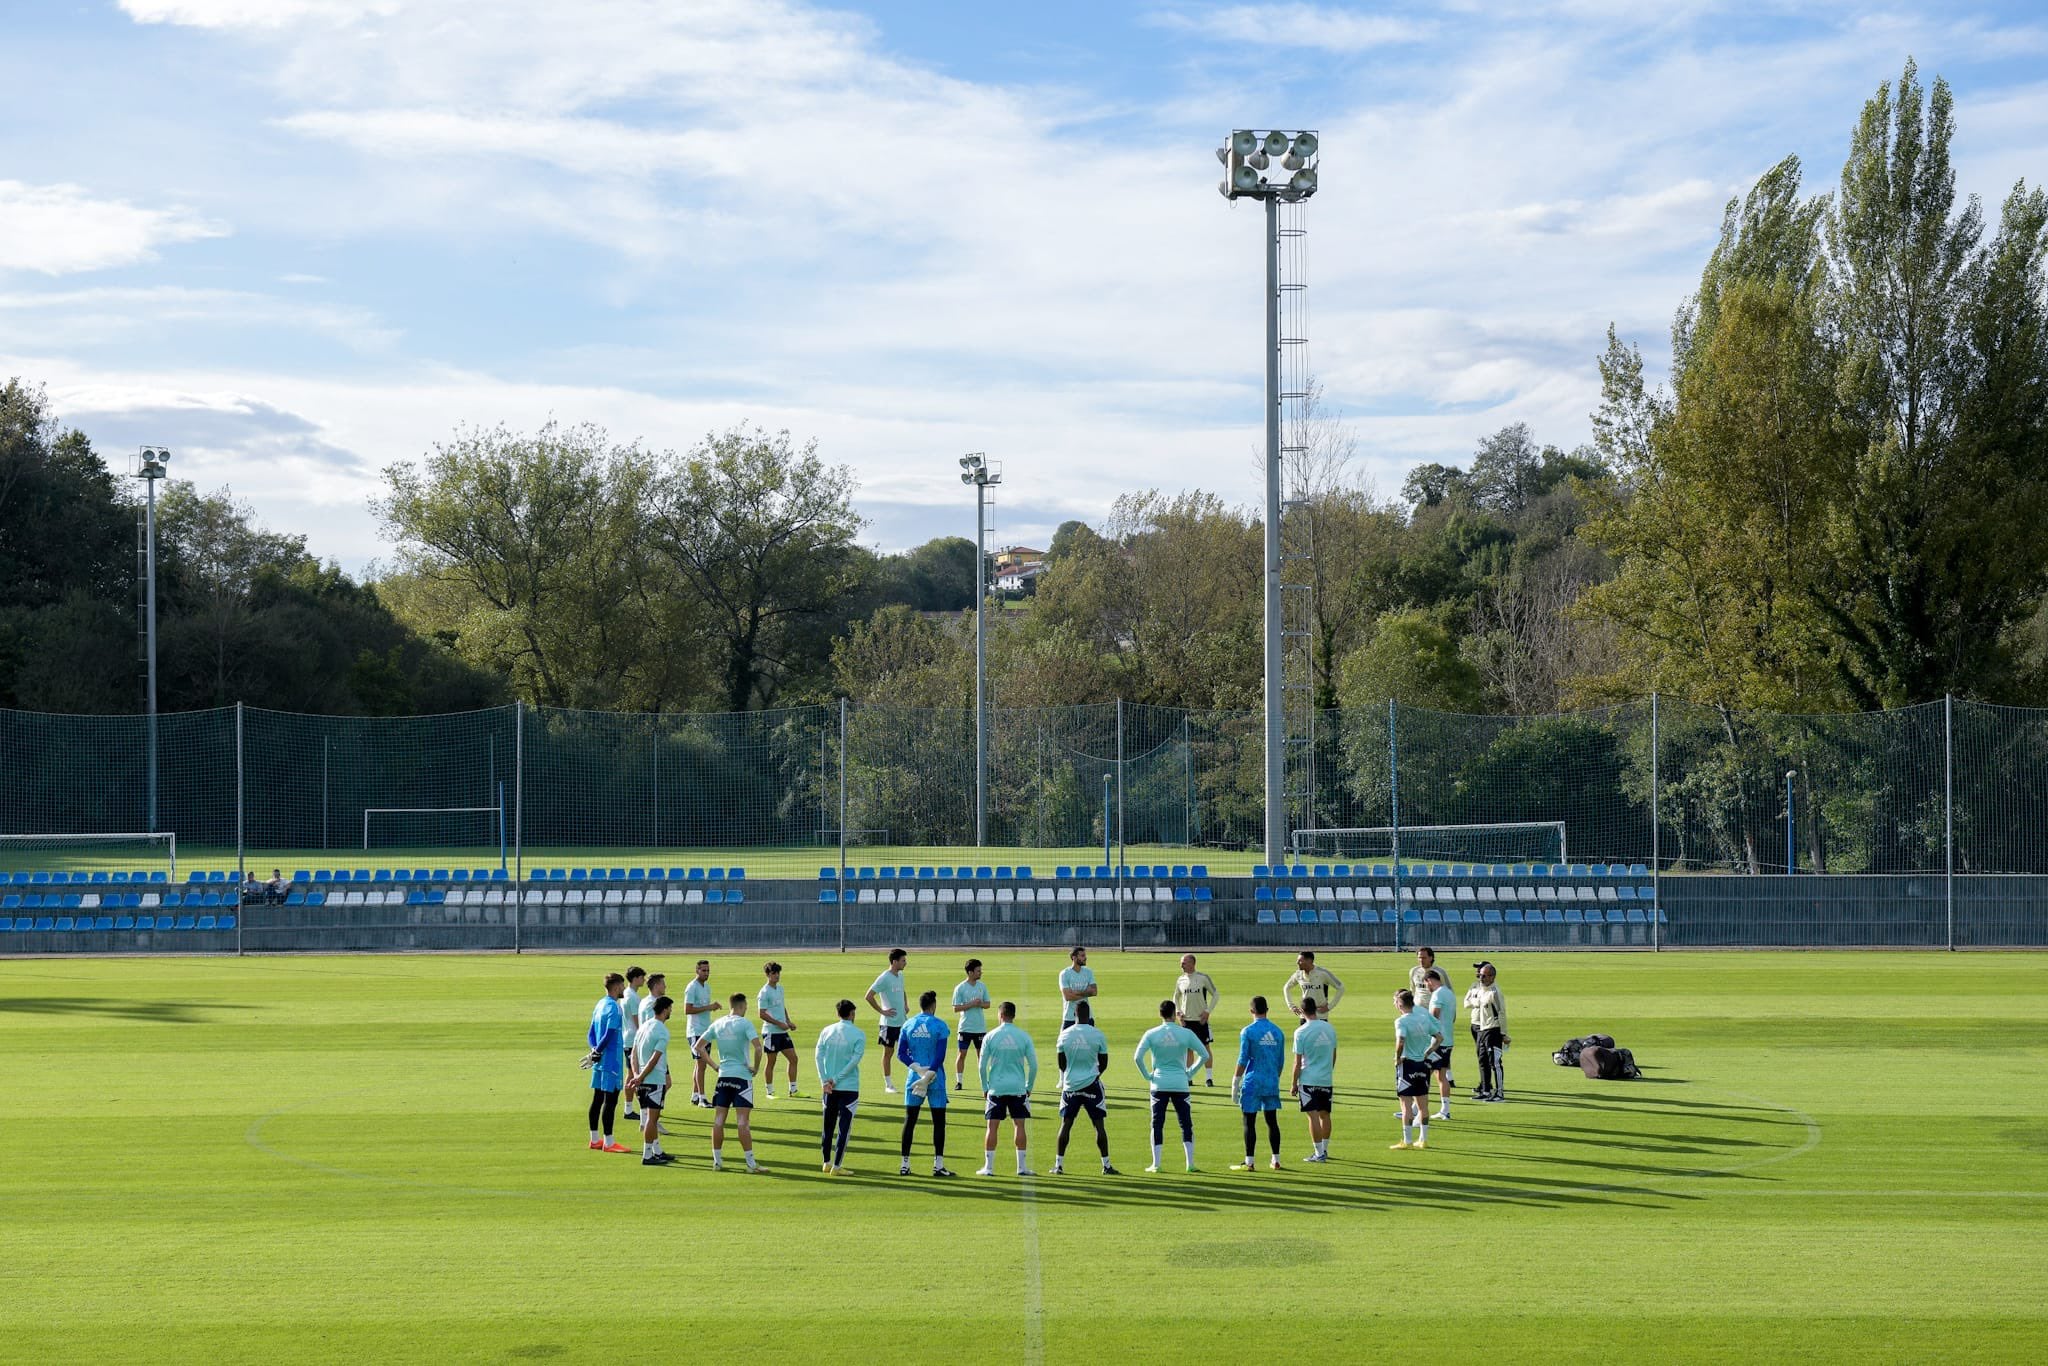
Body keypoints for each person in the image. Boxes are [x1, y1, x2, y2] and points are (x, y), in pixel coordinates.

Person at [1134, 999, 1211, 1173]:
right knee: (1186, 1124)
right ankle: (1190, 1163)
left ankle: (1156, 1164)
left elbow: (1137, 1058)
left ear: (1160, 1014)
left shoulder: (1152, 1033)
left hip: (1158, 1083)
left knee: (1157, 1124)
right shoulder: (1186, 1033)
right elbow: (1204, 1055)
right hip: (1180, 1084)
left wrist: (1147, 1075)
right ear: (1174, 1013)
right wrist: (1190, 1072)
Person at [693, 992, 766, 1173]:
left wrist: (715, 1066)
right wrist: (755, 1068)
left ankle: (717, 1162)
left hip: (723, 1077)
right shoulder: (745, 1024)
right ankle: (750, 1164)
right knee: (742, 1122)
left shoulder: (718, 1023)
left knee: (718, 1121)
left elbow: (698, 1047)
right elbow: (758, 1048)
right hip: (741, 1078)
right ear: (742, 1006)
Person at [895, 990, 955, 1177]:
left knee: (910, 1120)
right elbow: (940, 1055)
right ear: (933, 1005)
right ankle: (938, 1165)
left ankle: (904, 1165)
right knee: (938, 1122)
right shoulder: (939, 1025)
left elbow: (901, 1054)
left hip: (914, 1079)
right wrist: (928, 1074)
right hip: (936, 1077)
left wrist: (919, 1071)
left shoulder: (908, 1024)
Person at [976, 1001, 1039, 1177]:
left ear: (1001, 1015)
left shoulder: (990, 1036)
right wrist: (1029, 1087)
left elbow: (981, 1066)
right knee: (1019, 1125)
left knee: (992, 1127)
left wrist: (985, 1087)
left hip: (996, 1088)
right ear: (1013, 1015)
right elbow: (1033, 1066)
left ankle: (988, 1167)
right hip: (1018, 1088)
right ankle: (1021, 1167)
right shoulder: (1023, 1036)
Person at [1052, 1001, 1115, 1175]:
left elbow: (1061, 1064)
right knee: (1099, 1126)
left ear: (1075, 1015)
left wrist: (1072, 1075)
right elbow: (1104, 1063)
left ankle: (1058, 1165)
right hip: (1092, 1085)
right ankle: (1106, 1165)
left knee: (1066, 1124)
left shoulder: (1064, 1035)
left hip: (1071, 1085)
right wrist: (1093, 1075)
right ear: (1090, 1015)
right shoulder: (1098, 1035)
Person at [1230, 995, 1287, 1171]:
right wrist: (1274, 1078)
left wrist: (1235, 1082)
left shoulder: (1248, 1031)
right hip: (1271, 1081)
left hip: (1253, 1081)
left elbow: (1243, 1059)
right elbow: (1280, 1062)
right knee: (1272, 1121)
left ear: (1251, 1011)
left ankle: (1250, 1161)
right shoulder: (1278, 1032)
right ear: (1267, 1010)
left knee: (1249, 1121)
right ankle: (1276, 1159)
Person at [814, 999, 866, 1174]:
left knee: (827, 1126)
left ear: (838, 1014)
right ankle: (836, 1166)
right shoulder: (858, 1034)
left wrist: (825, 1080)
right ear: (851, 1014)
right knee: (844, 1128)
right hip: (848, 1087)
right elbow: (854, 1061)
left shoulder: (826, 1031)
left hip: (829, 1088)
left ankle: (826, 1162)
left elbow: (818, 1056)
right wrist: (837, 1079)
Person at [624, 994, 675, 1166]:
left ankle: (657, 1151)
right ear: (665, 1009)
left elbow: (634, 1055)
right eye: (670, 1009)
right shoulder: (662, 1031)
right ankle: (647, 1155)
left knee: (649, 1118)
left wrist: (637, 1075)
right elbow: (655, 1058)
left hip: (643, 1081)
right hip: (654, 1080)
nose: (671, 1012)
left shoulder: (643, 1027)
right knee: (652, 1120)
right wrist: (641, 1076)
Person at [584, 971, 632, 1153]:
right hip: (611, 1061)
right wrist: (598, 1050)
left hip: (599, 1060)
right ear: (616, 986)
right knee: (610, 1101)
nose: (624, 989)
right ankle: (609, 1143)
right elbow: (610, 1033)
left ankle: (594, 1140)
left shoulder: (600, 1004)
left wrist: (594, 1051)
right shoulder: (614, 1007)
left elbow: (591, 1033)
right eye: (622, 986)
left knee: (597, 1099)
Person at [1292, 996, 1338, 1162]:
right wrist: (1327, 1071)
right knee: (1325, 1115)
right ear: (1316, 1009)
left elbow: (1297, 1062)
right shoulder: (1329, 1029)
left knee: (1312, 1116)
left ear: (1302, 1011)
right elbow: (1333, 1055)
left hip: (1308, 1080)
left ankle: (1318, 1154)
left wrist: (1293, 1084)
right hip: (1326, 1078)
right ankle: (1324, 1150)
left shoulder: (1301, 1032)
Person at [1390, 989, 1437, 1150]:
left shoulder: (1401, 1021)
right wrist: (1428, 1052)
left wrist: (1397, 1058)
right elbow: (1439, 1037)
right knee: (1423, 1105)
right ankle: (1423, 1140)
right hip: (1422, 1065)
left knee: (1406, 1106)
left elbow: (1401, 1041)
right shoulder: (1423, 1018)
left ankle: (1407, 1140)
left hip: (1407, 1064)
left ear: (1400, 1004)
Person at [864, 948, 910, 1095]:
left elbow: (902, 990)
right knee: (888, 1053)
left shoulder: (900, 975)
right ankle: (888, 1084)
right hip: (888, 1024)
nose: (905, 963)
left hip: (902, 1021)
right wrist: (882, 1011)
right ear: (894, 961)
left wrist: (905, 1004)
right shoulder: (884, 977)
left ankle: (915, 1079)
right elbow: (869, 996)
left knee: (910, 1050)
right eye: (903, 960)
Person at [1464, 961, 1509, 1102]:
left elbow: (1501, 1013)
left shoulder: (1494, 992)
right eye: (1480, 976)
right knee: (1483, 1060)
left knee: (1495, 1062)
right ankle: (1486, 1090)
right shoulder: (1481, 989)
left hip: (1493, 1029)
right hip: (1483, 1029)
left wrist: (1504, 1034)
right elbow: (1467, 1003)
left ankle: (1500, 1093)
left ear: (1492, 977)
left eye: (1484, 976)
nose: (1480, 978)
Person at [1173, 953, 1220, 1087]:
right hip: (1186, 1021)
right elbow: (1175, 997)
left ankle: (1209, 1078)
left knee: (1205, 1048)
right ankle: (1188, 1076)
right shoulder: (1180, 980)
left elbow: (1216, 995)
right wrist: (1178, 1012)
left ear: (1193, 964)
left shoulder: (1203, 978)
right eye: (1181, 962)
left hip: (1200, 1020)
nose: (1181, 965)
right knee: (1188, 1049)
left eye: (1184, 962)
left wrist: (1208, 1011)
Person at [757, 961, 800, 1099]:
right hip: (770, 1032)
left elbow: (782, 1006)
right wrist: (778, 1023)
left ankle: (793, 1090)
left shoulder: (780, 989)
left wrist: (788, 1021)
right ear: (768, 975)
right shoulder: (764, 992)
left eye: (778, 973)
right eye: (774, 973)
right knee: (771, 1062)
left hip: (782, 1032)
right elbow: (761, 1013)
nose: (777, 976)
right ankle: (769, 1092)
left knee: (793, 1059)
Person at [952, 958, 992, 1091]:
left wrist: (980, 1004)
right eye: (978, 971)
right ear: (970, 972)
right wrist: (971, 1004)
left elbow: (988, 1004)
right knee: (962, 1054)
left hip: (980, 1027)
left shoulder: (982, 986)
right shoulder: (960, 988)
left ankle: (983, 1081)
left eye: (981, 970)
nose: (981, 973)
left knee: (981, 1055)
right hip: (965, 1027)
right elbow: (956, 1008)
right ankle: (959, 1081)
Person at [1423, 966, 1456, 1120]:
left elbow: (1434, 1016)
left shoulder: (1437, 995)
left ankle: (1416, 1108)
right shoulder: (1449, 993)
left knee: (1428, 1074)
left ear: (1430, 981)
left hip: (1438, 1042)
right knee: (1440, 1075)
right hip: (1448, 1039)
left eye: (1426, 984)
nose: (1426, 988)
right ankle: (1445, 1109)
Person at [683, 960, 716, 1108]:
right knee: (701, 1065)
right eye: (703, 970)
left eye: (708, 970)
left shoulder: (706, 987)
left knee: (699, 1065)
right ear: (697, 971)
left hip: (705, 1031)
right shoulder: (692, 987)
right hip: (695, 1031)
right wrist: (709, 1007)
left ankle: (695, 1095)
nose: (706, 973)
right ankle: (702, 1098)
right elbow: (687, 1010)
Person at [1283, 950, 1346, 1019]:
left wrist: (1329, 1007)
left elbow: (1341, 987)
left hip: (1321, 1016)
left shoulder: (1323, 973)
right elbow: (1286, 987)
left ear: (1309, 961)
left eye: (1300, 960)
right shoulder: (1298, 974)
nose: (1297, 963)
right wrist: (1291, 1006)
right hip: (1304, 1017)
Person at [620, 966, 647, 1121]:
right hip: (633, 1040)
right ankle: (631, 1108)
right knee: (634, 1074)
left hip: (627, 1038)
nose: (643, 980)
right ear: (636, 978)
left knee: (632, 1073)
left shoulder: (626, 995)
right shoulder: (634, 998)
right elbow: (639, 1022)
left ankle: (631, 1108)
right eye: (642, 977)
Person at [1058, 946, 1097, 1029]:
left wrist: (1076, 993)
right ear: (1074, 958)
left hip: (1087, 1017)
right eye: (1082, 956)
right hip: (1070, 1017)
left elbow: (1094, 992)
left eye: (1085, 955)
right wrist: (1086, 993)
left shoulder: (1088, 972)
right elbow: (1068, 997)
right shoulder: (1065, 974)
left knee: (1090, 1041)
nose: (1085, 958)